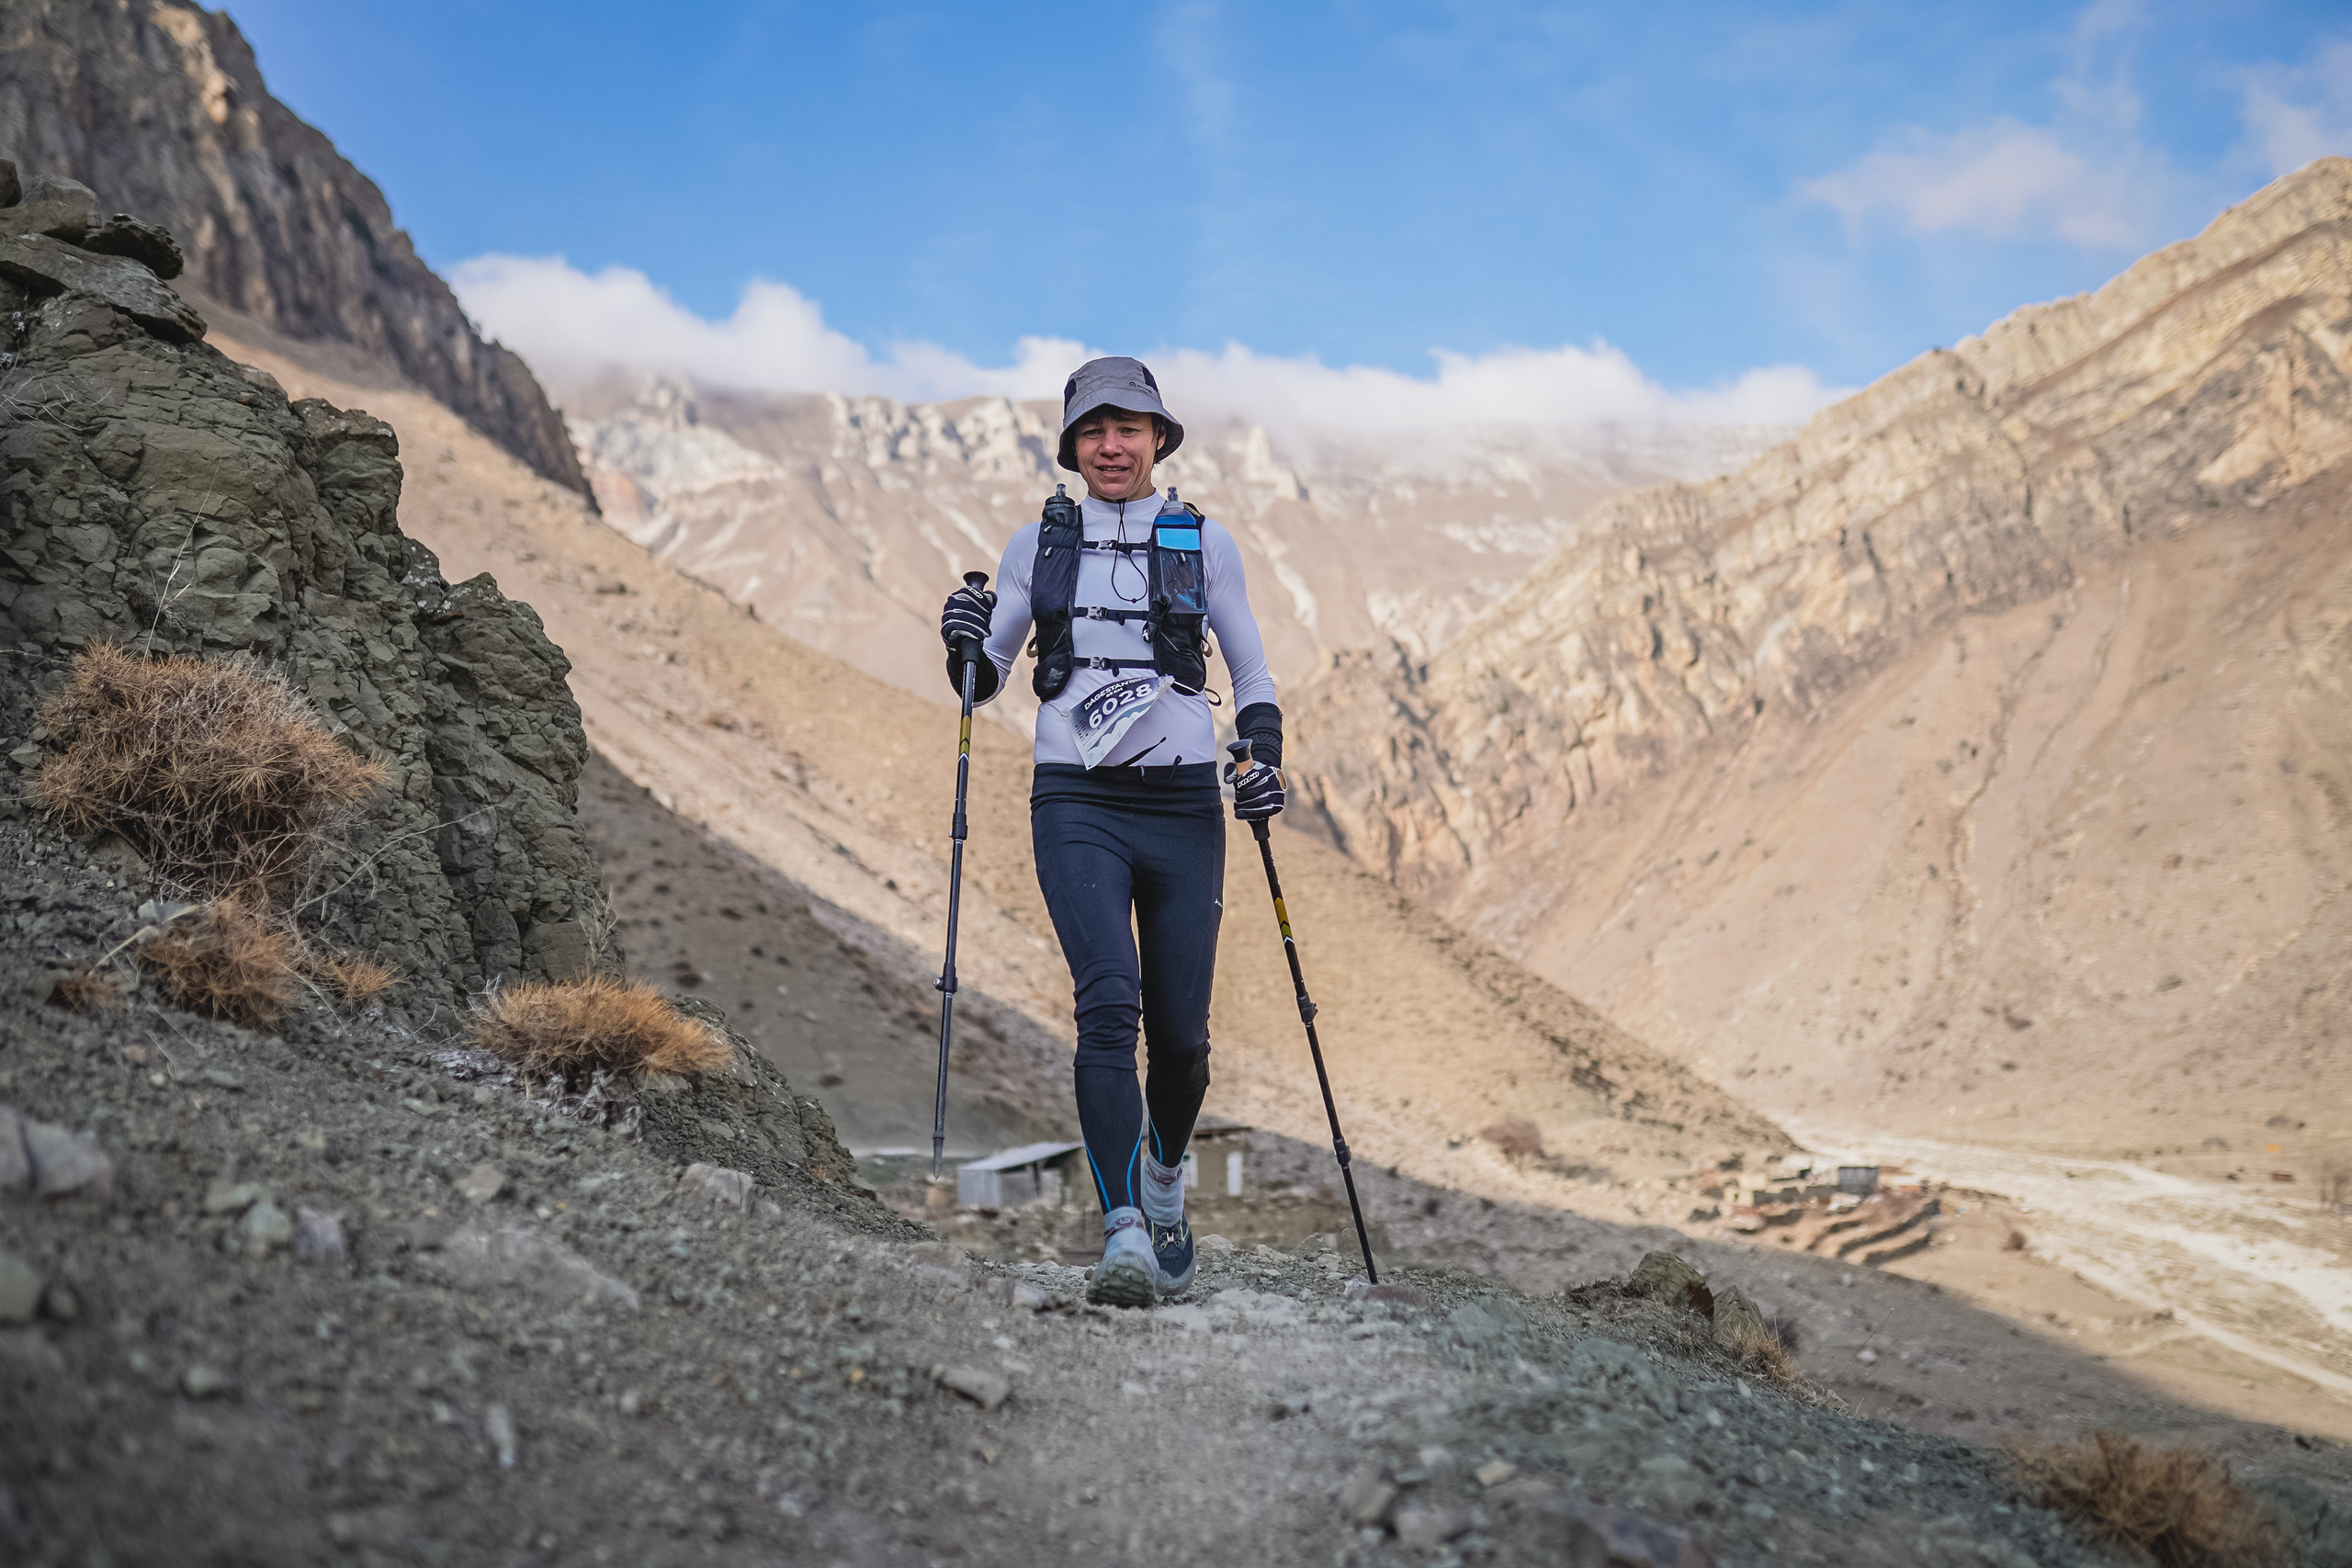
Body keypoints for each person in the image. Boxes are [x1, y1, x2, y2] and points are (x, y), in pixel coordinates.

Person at [937, 356, 1285, 1307]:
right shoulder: (1035, 545)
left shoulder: (1205, 544)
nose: (1112, 444)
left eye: (1130, 427)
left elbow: (1250, 673)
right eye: (1094, 430)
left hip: (1182, 810)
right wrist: (965, 635)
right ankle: (1124, 1230)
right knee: (1107, 1003)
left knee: (1182, 1043)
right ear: (1072, 447)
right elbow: (989, 669)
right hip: (1075, 801)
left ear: (1159, 439)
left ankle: (1166, 1183)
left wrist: (1262, 754)